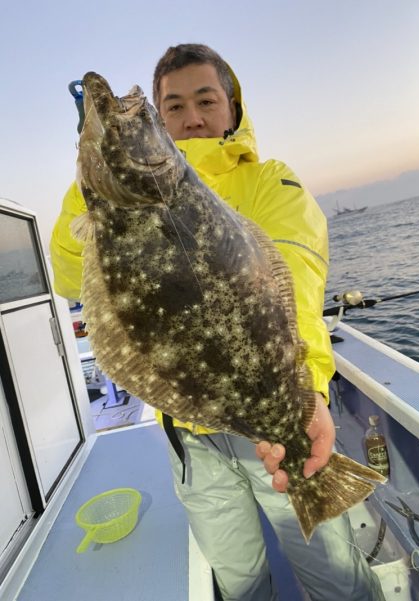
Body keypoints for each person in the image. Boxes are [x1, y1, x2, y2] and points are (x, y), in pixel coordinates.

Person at [50, 44, 384, 601]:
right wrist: (88, 181)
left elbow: (294, 277)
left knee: (338, 581)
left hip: (277, 426)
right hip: (188, 438)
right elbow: (68, 276)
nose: (192, 117)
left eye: (205, 99)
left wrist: (307, 396)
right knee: (238, 580)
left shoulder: (270, 181)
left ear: (232, 107)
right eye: (172, 106)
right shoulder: (101, 198)